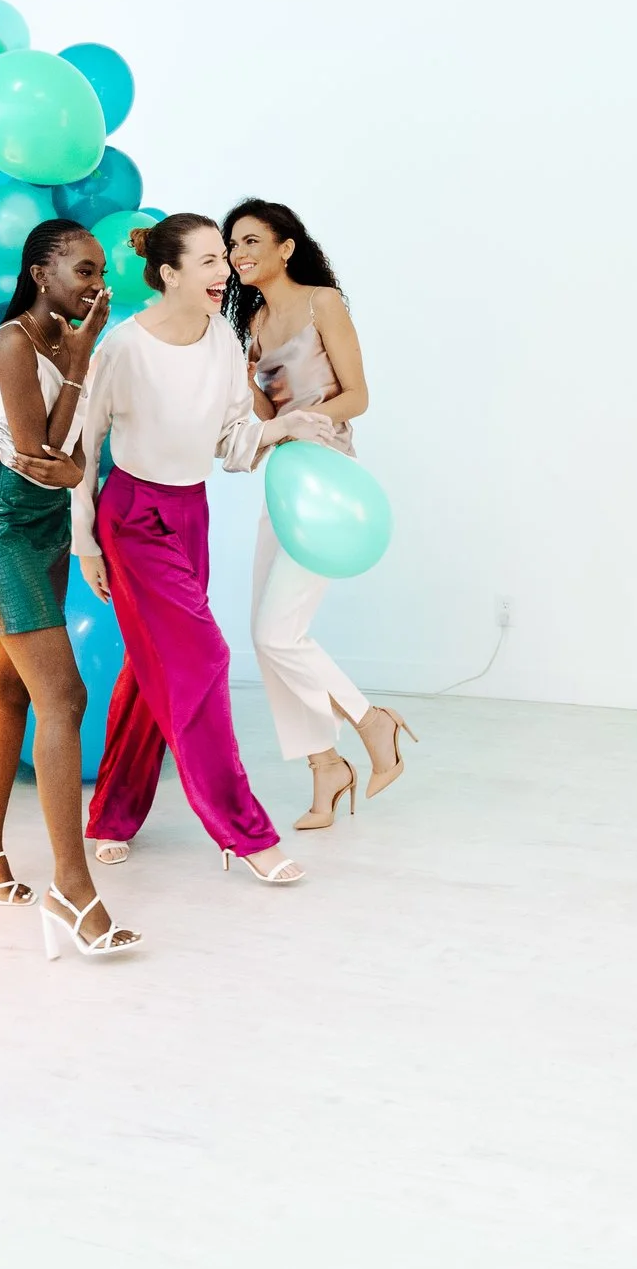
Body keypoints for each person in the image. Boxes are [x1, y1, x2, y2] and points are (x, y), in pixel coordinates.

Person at [76, 214, 329, 883]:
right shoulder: (122, 348)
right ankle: (245, 832)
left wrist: (289, 423)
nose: (225, 272)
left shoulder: (223, 340)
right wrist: (86, 543)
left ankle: (110, 814)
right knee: (205, 655)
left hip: (191, 512)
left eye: (225, 257)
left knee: (148, 668)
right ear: (168, 274)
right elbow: (83, 449)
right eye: (210, 261)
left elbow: (233, 443)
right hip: (132, 518)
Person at [0, 218, 141, 960]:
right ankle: (72, 887)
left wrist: (85, 345)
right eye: (84, 272)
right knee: (64, 697)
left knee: (10, 689)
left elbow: (65, 454)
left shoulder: (65, 341)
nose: (97, 285)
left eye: (99, 274)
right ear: (39, 274)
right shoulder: (12, 345)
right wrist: (59, 464)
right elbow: (41, 453)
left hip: (42, 529)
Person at [223, 199, 415, 831]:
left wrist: (301, 421)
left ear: (286, 247)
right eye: (231, 244)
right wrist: (247, 377)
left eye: (251, 240)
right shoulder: (248, 322)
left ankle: (370, 721)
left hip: (328, 479)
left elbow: (358, 396)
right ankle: (324, 766)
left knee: (280, 634)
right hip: (283, 481)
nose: (238, 252)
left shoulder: (321, 303)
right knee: (266, 636)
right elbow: (260, 415)